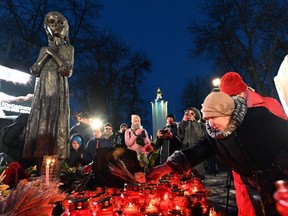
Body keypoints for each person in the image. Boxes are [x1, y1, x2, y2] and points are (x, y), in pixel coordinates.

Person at [147, 92, 288, 216]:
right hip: (257, 184)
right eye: (207, 119)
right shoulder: (215, 135)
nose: (211, 123)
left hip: (281, 179)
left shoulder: (257, 118)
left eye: (214, 117)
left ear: (227, 113)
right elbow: (197, 151)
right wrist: (167, 167)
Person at [219, 71, 288, 216]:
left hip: (272, 177)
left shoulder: (269, 105)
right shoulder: (227, 115)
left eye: (234, 96)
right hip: (243, 181)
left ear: (244, 92)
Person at [22, 11, 74, 176]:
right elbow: (35, 70)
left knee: (57, 129)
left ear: (65, 26)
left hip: (58, 94)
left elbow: (67, 70)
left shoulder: (68, 48)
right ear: (47, 27)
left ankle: (54, 175)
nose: (57, 25)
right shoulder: (43, 49)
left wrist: (54, 55)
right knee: (42, 130)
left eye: (60, 22)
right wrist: (46, 55)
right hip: (43, 95)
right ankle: (40, 175)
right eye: (52, 22)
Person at [177, 108, 205, 179]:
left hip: (197, 152)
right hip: (186, 151)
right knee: (186, 175)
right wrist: (183, 122)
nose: (189, 115)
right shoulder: (185, 125)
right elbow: (180, 136)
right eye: (188, 114)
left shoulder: (201, 124)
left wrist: (194, 122)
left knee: (197, 176)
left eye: (192, 113)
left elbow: (201, 135)